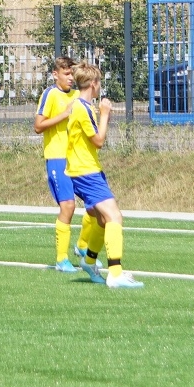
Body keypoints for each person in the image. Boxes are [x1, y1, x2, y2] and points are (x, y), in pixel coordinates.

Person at [66, 63, 143, 289]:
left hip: (87, 169)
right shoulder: (82, 108)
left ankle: (89, 260)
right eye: (99, 83)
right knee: (115, 217)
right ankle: (116, 273)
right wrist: (105, 114)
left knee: (102, 219)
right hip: (85, 172)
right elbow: (98, 141)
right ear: (93, 84)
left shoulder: (80, 106)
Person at [33, 56, 101, 273]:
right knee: (68, 206)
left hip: (77, 159)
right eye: (66, 74)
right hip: (56, 158)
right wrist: (64, 114)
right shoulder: (50, 94)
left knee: (94, 204)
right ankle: (61, 259)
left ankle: (81, 246)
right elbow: (38, 126)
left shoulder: (78, 96)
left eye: (73, 74)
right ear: (55, 74)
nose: (71, 78)